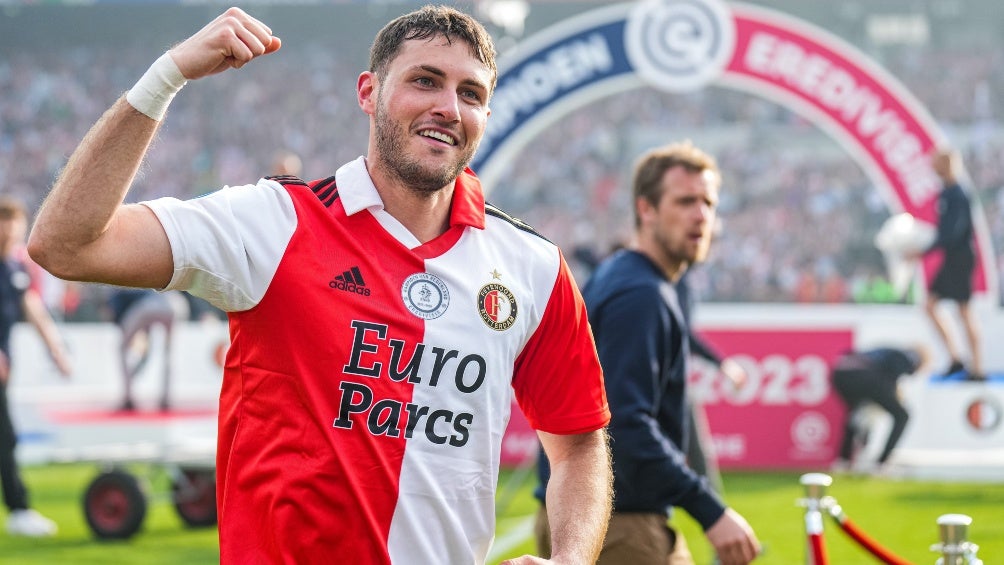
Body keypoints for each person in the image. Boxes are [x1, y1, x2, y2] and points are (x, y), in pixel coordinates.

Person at [27, 6, 612, 564]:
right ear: (368, 92)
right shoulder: (273, 222)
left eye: (470, 94)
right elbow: (66, 244)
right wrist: (165, 77)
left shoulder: (531, 265)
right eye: (425, 81)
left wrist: (572, 557)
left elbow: (578, 440)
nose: (448, 108)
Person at [535, 141, 760, 565]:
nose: (700, 215)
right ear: (647, 210)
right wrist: (710, 510)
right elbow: (625, 422)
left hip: (598, 514)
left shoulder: (629, 277)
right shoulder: (642, 294)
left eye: (708, 203)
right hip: (618, 525)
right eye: (685, 201)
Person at [0, 196, 71, 537]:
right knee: (6, 436)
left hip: (3, 372)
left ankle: (18, 510)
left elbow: (34, 310)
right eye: (5, 222)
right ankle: (19, 509)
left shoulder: (16, 270)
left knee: (5, 437)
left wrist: (55, 350)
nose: (11, 231)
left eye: (15, 224)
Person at [676, 267, 747, 495]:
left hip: (647, 383)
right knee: (697, 458)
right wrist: (723, 364)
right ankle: (716, 514)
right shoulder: (673, 280)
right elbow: (682, 332)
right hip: (664, 385)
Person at [914, 148, 981, 380]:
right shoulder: (947, 193)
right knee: (931, 305)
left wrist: (923, 248)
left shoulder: (957, 194)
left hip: (960, 258)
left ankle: (977, 367)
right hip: (952, 258)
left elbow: (951, 233)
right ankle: (955, 358)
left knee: (964, 310)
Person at [829, 345, 930, 474]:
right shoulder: (905, 356)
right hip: (864, 376)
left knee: (855, 416)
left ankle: (843, 462)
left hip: (839, 374)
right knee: (902, 416)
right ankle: (881, 464)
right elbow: (894, 379)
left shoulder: (884, 352)